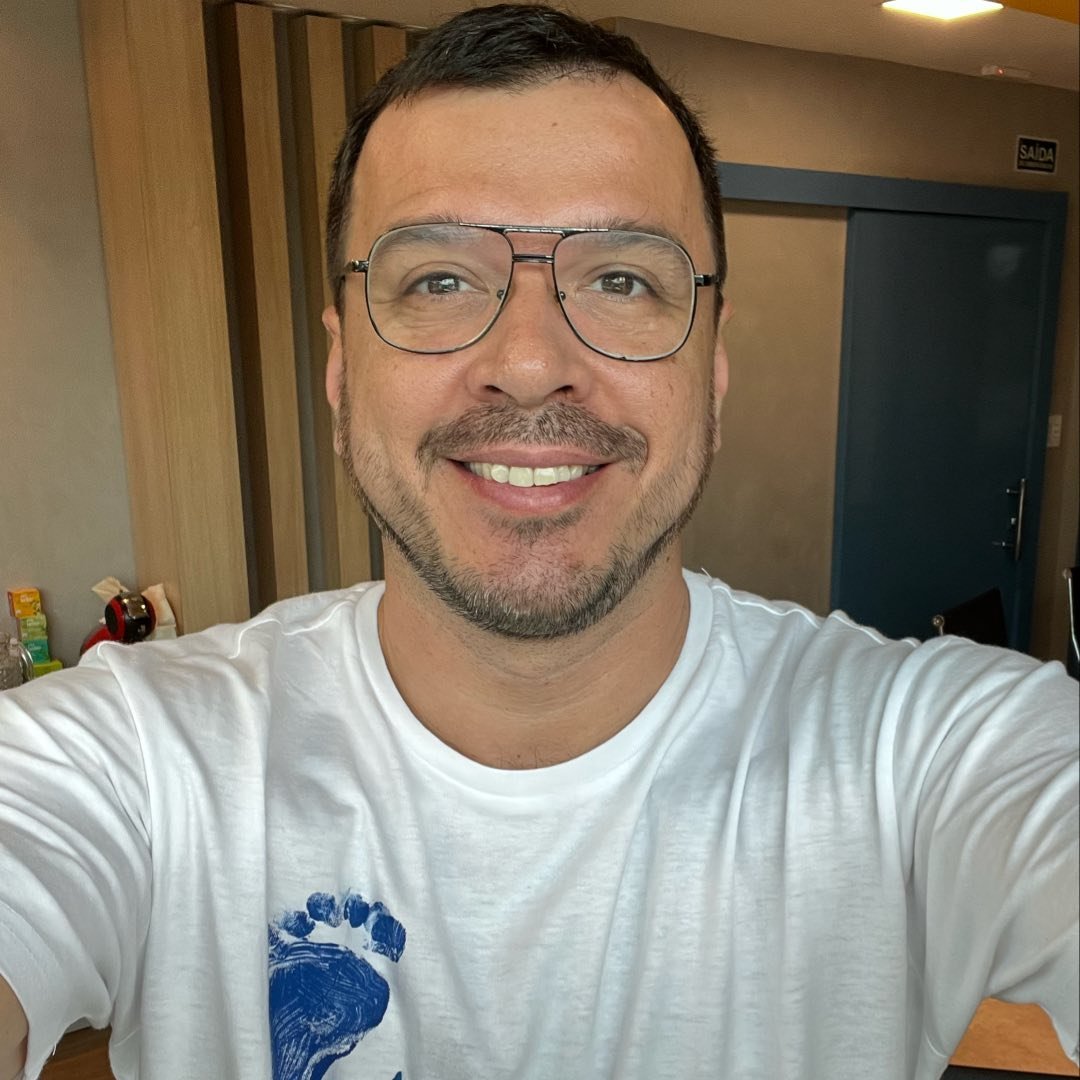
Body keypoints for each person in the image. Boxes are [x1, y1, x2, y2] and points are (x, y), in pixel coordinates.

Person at [1, 4, 1077, 1078]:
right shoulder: (133, 764)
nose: (528, 363)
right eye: (437, 279)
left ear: (710, 371)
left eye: (622, 279)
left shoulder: (933, 759)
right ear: (340, 370)